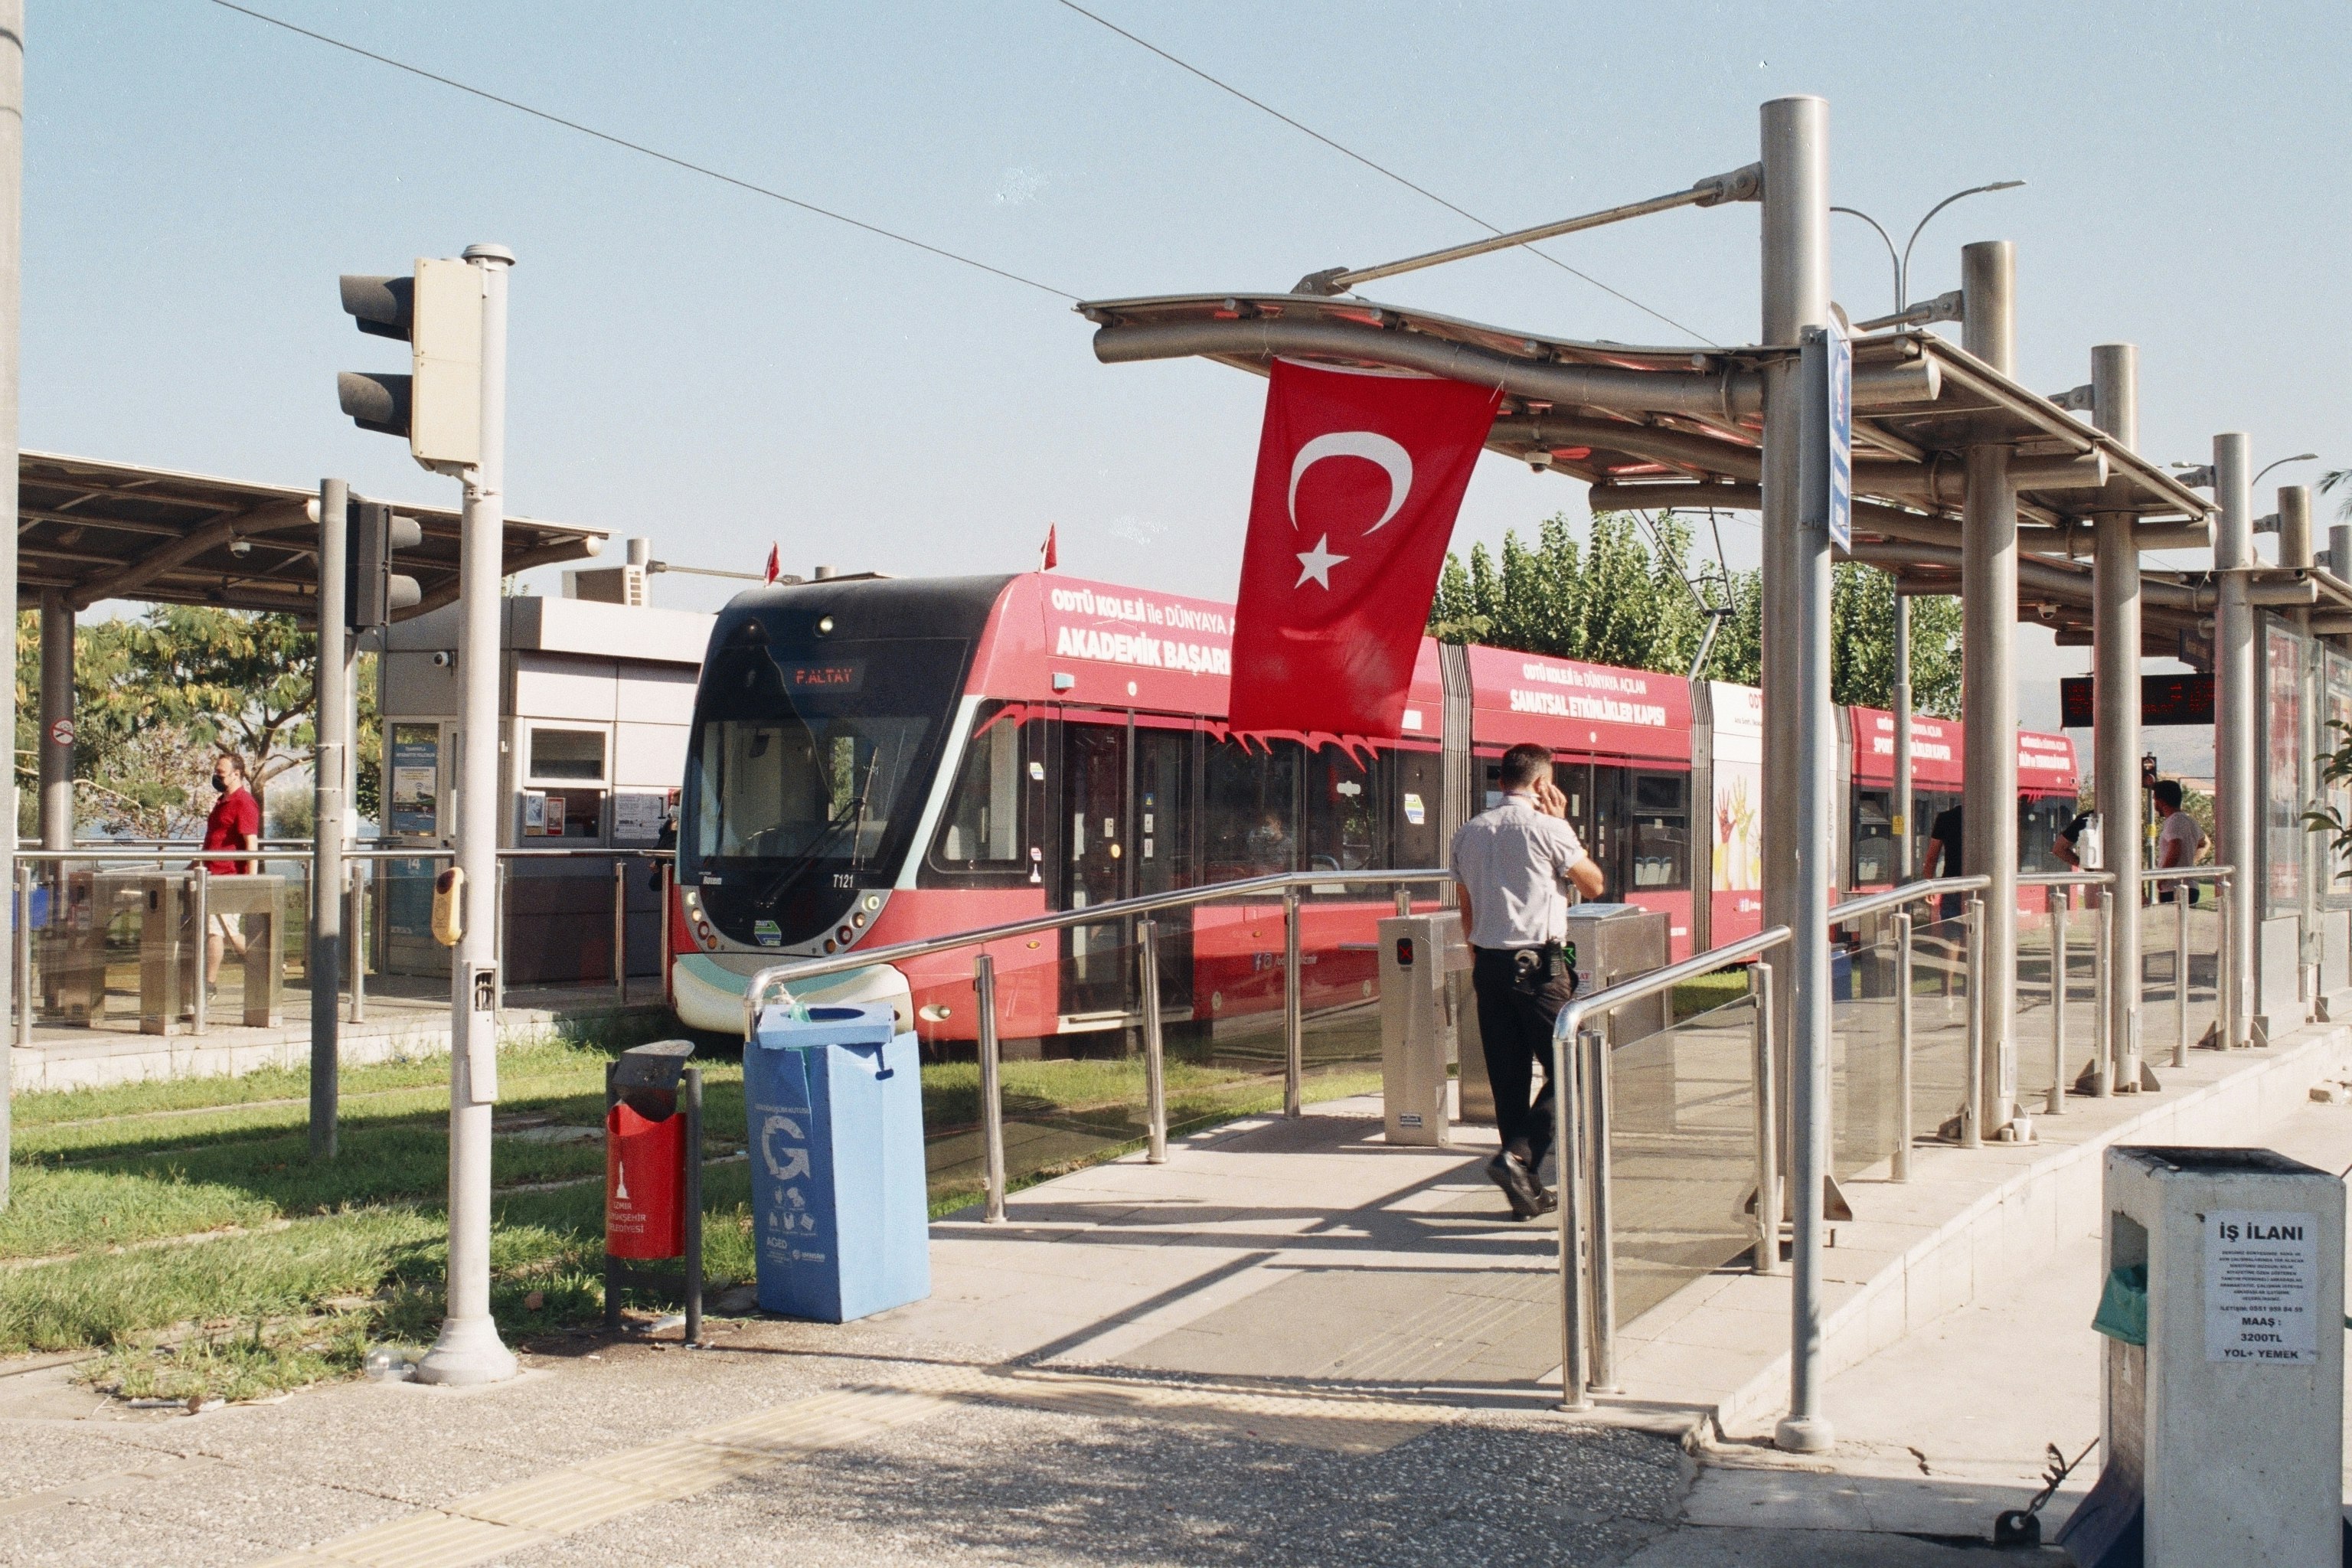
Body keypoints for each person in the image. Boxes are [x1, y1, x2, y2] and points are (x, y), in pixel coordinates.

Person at [1451, 742, 1607, 1221]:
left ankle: (1525, 1191)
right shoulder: (1549, 829)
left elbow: (1467, 903)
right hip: (1539, 968)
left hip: (1489, 965)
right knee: (1570, 1069)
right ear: (1543, 784)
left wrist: (1478, 950)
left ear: (1501, 783)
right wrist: (1566, 828)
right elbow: (1594, 885)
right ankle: (1518, 1158)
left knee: (1508, 1079)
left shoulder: (1469, 832)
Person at [198, 753, 262, 993]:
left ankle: (209, 985)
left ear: (237, 775)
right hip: (209, 875)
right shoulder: (222, 801)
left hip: (229, 878)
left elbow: (251, 843)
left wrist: (250, 882)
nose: (216, 777)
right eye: (215, 772)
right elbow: (214, 840)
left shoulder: (244, 802)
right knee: (228, 933)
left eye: (221, 774)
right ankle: (269, 964)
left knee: (216, 931)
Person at [2152, 779, 2206, 903]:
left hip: (2174, 888)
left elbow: (2175, 849)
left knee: (2171, 922)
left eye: (2155, 800)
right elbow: (2205, 843)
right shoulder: (2189, 820)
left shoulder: (2174, 821)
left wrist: (2162, 877)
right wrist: (2191, 861)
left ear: (2161, 802)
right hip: (2191, 886)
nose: (2155, 804)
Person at [1922, 804, 1964, 920]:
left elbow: (1932, 857)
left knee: (1952, 930)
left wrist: (1930, 886)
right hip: (1981, 884)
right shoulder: (1986, 818)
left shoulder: (1945, 817)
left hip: (1951, 883)